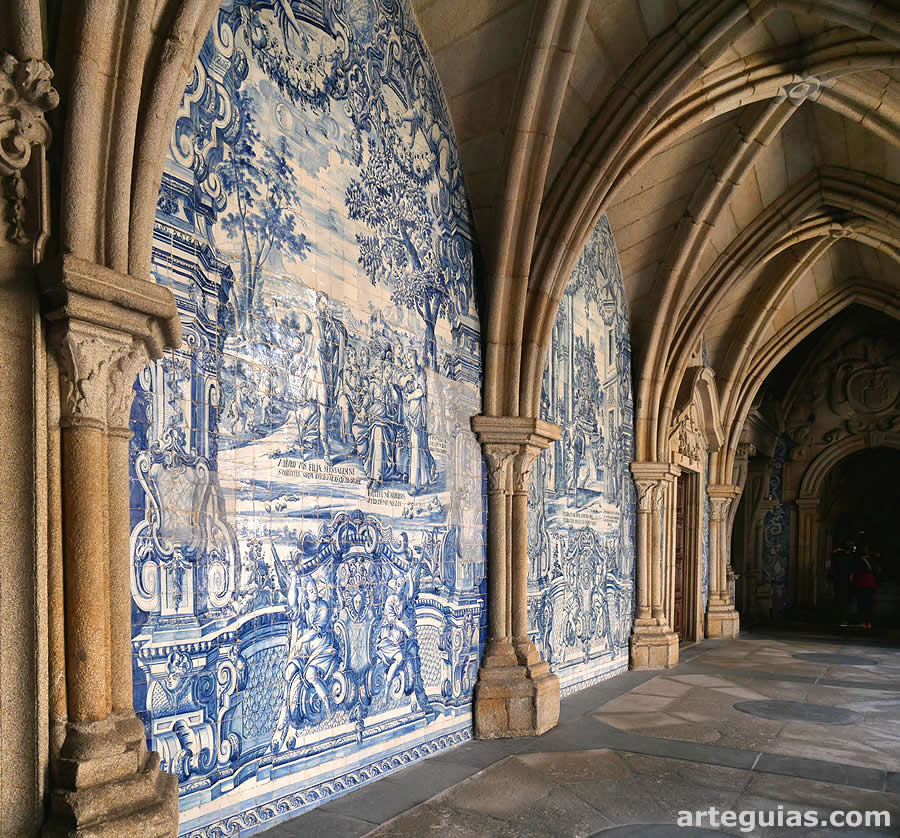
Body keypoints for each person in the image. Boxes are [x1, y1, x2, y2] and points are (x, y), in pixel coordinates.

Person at [831, 538, 855, 627]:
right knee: (844, 601)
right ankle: (843, 618)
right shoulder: (850, 557)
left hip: (840, 580)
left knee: (840, 600)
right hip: (845, 581)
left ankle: (840, 618)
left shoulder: (838, 555)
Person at [854, 547, 878, 629]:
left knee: (865, 603)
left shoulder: (864, 560)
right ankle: (865, 621)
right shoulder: (865, 560)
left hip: (865, 583)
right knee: (865, 603)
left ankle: (865, 621)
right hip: (866, 583)